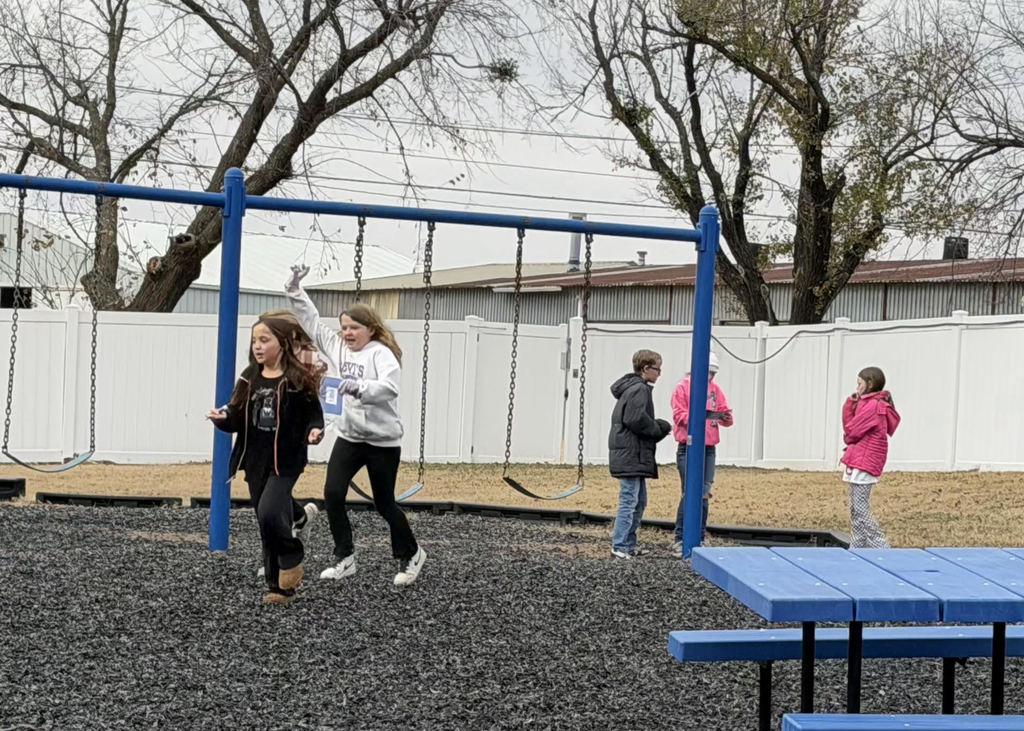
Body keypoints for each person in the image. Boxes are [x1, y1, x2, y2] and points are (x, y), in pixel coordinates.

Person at [284, 265, 426, 587]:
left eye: (353, 328)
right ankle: (344, 558)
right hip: (350, 436)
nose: (347, 333)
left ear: (371, 330)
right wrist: (294, 287)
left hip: (381, 441)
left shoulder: (381, 355)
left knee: (384, 503)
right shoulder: (336, 347)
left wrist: (358, 387)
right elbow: (311, 320)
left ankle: (412, 554)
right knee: (332, 494)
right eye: (344, 328)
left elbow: (389, 388)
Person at [206, 312, 325, 605]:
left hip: (285, 460)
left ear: (281, 343)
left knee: (270, 512)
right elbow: (235, 415)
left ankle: (292, 553)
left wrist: (314, 431)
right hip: (255, 459)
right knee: (265, 521)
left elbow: (314, 414)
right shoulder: (250, 377)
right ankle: (278, 587)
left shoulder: (296, 379)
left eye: (264, 339)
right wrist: (222, 419)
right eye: (254, 341)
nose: (258, 346)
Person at [608, 349, 672, 559]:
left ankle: (627, 545)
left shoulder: (630, 388)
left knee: (638, 500)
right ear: (645, 369)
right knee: (630, 500)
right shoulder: (640, 390)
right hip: (632, 455)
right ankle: (620, 545)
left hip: (629, 453)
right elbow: (635, 419)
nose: (659, 374)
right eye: (657, 369)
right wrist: (659, 427)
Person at [670, 351, 733, 556]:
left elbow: (727, 417)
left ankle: (700, 536)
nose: (711, 377)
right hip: (688, 446)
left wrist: (723, 416)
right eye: (709, 372)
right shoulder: (682, 388)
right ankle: (680, 538)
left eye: (713, 374)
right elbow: (679, 416)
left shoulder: (715, 390)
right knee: (690, 492)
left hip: (708, 447)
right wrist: (700, 416)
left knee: (704, 493)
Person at [841, 366, 900, 548]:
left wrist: (848, 437)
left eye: (859, 384)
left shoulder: (874, 406)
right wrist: (850, 404)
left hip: (865, 461)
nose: (857, 387)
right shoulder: (867, 404)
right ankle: (858, 544)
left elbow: (853, 430)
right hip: (859, 459)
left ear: (870, 384)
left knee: (860, 507)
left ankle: (881, 545)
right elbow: (850, 425)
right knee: (854, 508)